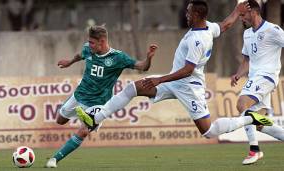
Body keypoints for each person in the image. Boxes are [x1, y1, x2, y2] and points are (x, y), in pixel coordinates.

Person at [76, 0, 274, 150]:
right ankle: (97, 118)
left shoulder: (198, 40)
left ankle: (250, 119)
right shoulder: (207, 27)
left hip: (189, 86)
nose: (185, 14)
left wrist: (159, 79)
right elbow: (225, 25)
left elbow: (188, 70)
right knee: (132, 88)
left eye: (188, 12)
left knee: (209, 132)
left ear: (196, 14)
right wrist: (236, 11)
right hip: (175, 80)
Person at [45, 25, 158, 168]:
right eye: (89, 42)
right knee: (60, 120)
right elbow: (80, 55)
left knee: (83, 131)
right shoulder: (88, 49)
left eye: (92, 42)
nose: (89, 45)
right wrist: (69, 62)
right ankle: (80, 114)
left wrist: (148, 58)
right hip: (79, 95)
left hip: (98, 104)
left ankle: (54, 159)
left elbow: (142, 67)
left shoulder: (118, 58)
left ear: (102, 42)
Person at [231, 0, 284, 165]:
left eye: (243, 14)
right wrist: (238, 74)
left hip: (266, 76)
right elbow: (246, 60)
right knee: (258, 123)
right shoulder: (247, 34)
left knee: (241, 104)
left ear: (253, 12)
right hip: (255, 78)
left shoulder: (273, 30)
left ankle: (254, 150)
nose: (241, 18)